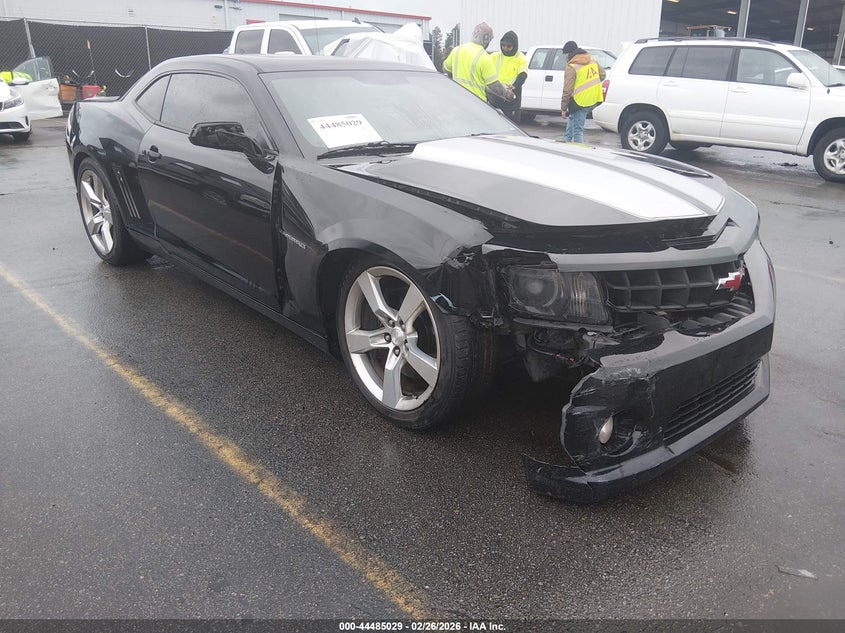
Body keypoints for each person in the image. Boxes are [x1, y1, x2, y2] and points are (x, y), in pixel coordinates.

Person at [443, 22, 515, 104]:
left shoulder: (457, 50)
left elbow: (445, 69)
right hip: (477, 104)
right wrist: (508, 94)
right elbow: (493, 85)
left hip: (457, 101)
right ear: (486, 39)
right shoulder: (484, 57)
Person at [559, 40, 606, 143]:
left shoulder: (571, 66)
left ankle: (578, 151)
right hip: (594, 98)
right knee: (573, 117)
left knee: (578, 130)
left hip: (581, 101)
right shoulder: (592, 59)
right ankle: (566, 141)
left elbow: (567, 90)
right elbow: (602, 75)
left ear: (569, 54)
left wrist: (563, 108)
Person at [488, 30, 528, 120]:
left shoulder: (520, 58)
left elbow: (523, 74)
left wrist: (515, 86)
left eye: (509, 46)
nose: (505, 48)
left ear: (514, 46)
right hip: (495, 98)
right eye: (503, 45)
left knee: (512, 128)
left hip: (511, 99)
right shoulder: (495, 56)